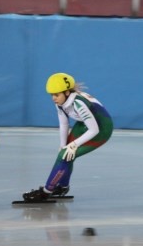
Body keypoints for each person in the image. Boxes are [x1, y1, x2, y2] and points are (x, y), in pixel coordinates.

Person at [21, 73, 113, 202]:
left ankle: (46, 191)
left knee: (65, 156)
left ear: (67, 92)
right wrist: (63, 145)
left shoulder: (79, 104)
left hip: (101, 128)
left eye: (56, 95)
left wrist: (73, 145)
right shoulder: (60, 102)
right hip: (84, 124)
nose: (53, 98)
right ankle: (62, 187)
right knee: (65, 154)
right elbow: (64, 124)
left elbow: (94, 130)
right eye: (52, 95)